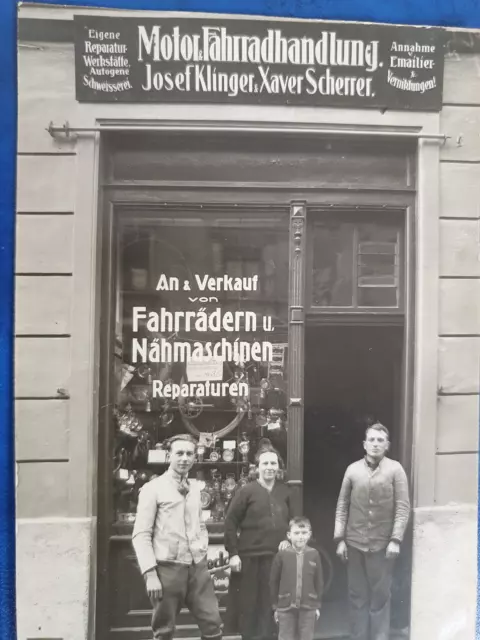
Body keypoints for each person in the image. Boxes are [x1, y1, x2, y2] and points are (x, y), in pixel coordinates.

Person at [132, 433, 223, 640]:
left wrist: (202, 548)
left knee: (212, 624)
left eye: (189, 454)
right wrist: (150, 574)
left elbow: (200, 523)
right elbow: (141, 534)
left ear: (194, 457)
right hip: (167, 569)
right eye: (179, 453)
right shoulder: (152, 489)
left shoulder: (195, 489)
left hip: (197, 568)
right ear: (169, 456)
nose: (184, 458)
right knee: (164, 629)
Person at [334, 423, 410, 640]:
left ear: (387, 445)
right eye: (372, 440)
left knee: (380, 597)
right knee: (357, 596)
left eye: (380, 440)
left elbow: (403, 507)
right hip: (354, 543)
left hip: (382, 545)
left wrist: (395, 539)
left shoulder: (396, 470)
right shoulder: (352, 470)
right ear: (364, 444)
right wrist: (340, 539)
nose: (376, 444)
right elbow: (342, 506)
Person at [224, 445, 294, 640]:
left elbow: (295, 522)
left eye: (273, 463)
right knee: (249, 605)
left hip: (276, 558)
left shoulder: (285, 492)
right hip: (249, 558)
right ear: (257, 467)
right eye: (265, 463)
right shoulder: (246, 491)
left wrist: (288, 540)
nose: (270, 467)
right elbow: (230, 522)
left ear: (279, 467)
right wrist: (233, 553)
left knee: (270, 604)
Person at [270, 517, 323, 640]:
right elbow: (273, 582)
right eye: (296, 533)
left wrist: (317, 605)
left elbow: (319, 581)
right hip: (285, 607)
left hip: (308, 606)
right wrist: (275, 607)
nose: (300, 537)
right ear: (289, 535)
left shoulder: (314, 554)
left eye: (304, 533)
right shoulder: (281, 555)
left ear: (309, 534)